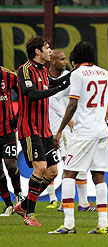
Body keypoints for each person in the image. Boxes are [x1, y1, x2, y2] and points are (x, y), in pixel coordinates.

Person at [49, 41, 108, 234]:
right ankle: (103, 224)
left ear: (77, 57)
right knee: (99, 176)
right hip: (102, 131)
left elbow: (72, 104)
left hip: (84, 132)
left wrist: (59, 130)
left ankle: (68, 224)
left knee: (69, 173)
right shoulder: (103, 72)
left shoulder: (76, 74)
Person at [14, 36, 71, 226]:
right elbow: (31, 95)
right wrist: (55, 90)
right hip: (29, 128)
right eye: (47, 48)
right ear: (38, 51)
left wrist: (73, 76)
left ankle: (25, 205)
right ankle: (29, 214)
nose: (50, 51)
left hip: (45, 129)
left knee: (53, 171)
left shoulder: (43, 71)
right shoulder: (25, 70)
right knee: (40, 168)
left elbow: (53, 85)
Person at [47, 50, 97, 212]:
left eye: (65, 59)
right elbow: (52, 99)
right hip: (56, 127)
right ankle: (63, 201)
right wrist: (67, 119)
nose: (65, 62)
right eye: (61, 59)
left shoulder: (69, 76)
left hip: (68, 129)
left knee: (75, 164)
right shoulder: (43, 77)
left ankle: (79, 202)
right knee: (62, 165)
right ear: (53, 61)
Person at [0, 66, 25, 217]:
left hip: (7, 131)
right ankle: (8, 205)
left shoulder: (7, 75)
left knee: (11, 164)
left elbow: (25, 93)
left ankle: (19, 194)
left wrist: (18, 116)